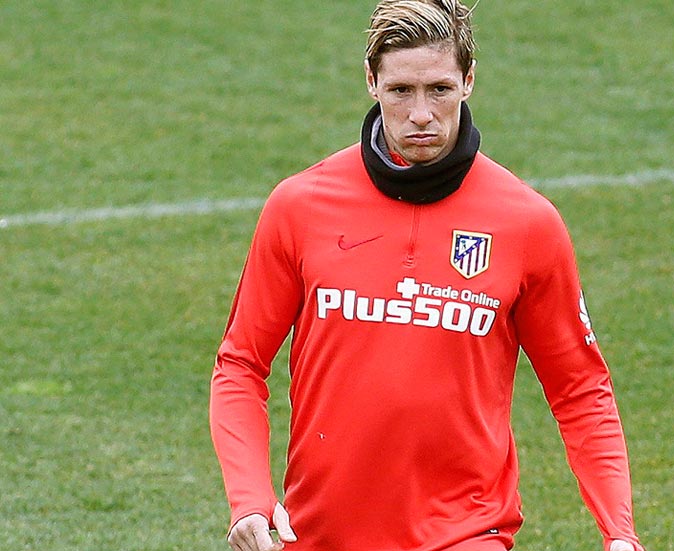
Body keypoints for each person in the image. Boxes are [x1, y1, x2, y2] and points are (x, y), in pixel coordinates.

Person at [209, 1, 644, 550]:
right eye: (401, 91)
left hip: (467, 533)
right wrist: (248, 496)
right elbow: (240, 364)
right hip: (320, 534)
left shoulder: (526, 223)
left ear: (468, 81)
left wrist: (619, 530)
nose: (421, 114)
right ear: (371, 82)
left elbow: (580, 389)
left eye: (439, 89)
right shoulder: (301, 206)